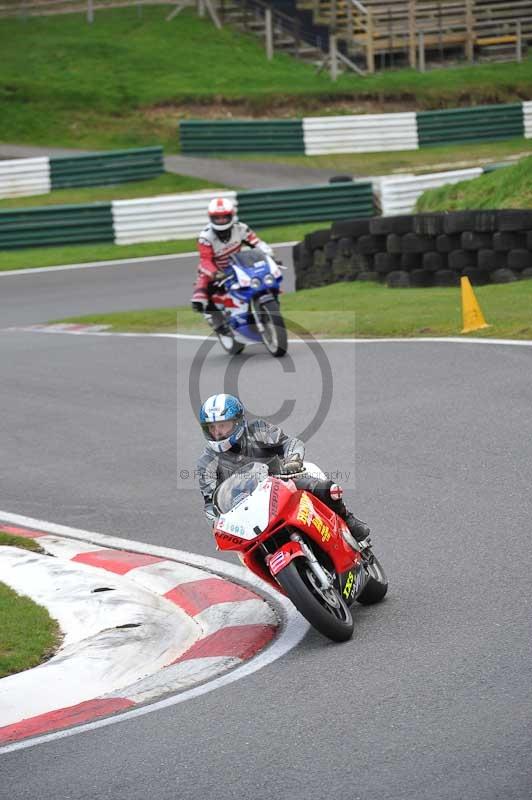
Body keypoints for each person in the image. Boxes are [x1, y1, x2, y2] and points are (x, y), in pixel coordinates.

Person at [196, 393, 371, 545]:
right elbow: (210, 504)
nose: (217, 432)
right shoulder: (206, 463)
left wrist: (293, 460)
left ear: (237, 422)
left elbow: (290, 443)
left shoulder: (257, 430)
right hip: (245, 513)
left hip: (282, 484)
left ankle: (347, 519)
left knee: (324, 488)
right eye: (212, 428)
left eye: (222, 425)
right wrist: (217, 523)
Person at [190, 197, 274, 331]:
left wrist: (268, 254)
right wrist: (214, 273)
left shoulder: (241, 228)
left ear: (231, 216)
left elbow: (257, 243)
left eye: (224, 217)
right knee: (202, 294)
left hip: (238, 265)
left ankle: (267, 309)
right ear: (211, 218)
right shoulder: (205, 237)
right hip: (216, 271)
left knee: (265, 278)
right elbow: (205, 260)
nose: (221, 221)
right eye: (217, 218)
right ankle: (215, 318)